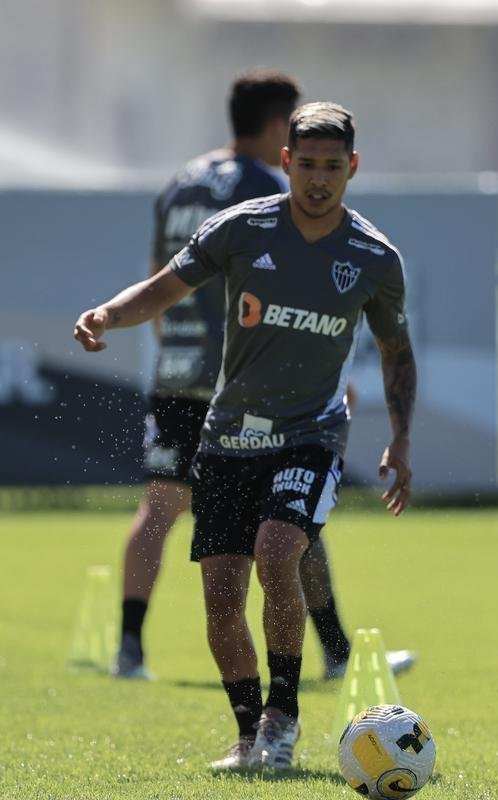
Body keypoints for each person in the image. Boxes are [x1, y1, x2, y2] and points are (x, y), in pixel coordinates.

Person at [74, 101, 417, 770]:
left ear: (352, 168)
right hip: (227, 436)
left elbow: (396, 352)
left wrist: (399, 440)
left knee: (278, 549)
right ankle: (245, 735)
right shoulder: (240, 228)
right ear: (285, 162)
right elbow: (165, 286)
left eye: (332, 167)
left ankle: (282, 717)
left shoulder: (373, 257)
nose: (318, 180)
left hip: (310, 433)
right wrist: (109, 314)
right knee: (222, 594)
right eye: (307, 165)